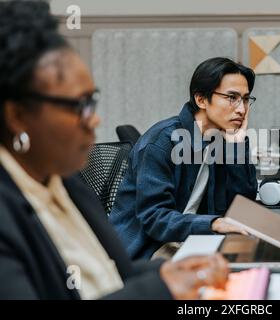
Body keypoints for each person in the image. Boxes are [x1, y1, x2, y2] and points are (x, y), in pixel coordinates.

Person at [0, 0, 228, 300]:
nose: (95, 118)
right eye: (79, 106)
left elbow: (117, 275)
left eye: (92, 101)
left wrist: (172, 272)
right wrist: (160, 289)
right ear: (17, 116)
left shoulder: (65, 183)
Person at [109, 57, 258, 260]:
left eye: (246, 99)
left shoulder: (220, 139)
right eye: (232, 98)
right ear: (201, 99)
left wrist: (236, 146)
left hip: (193, 241)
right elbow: (155, 219)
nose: (241, 109)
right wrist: (212, 224)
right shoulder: (161, 142)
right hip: (149, 250)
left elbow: (241, 206)